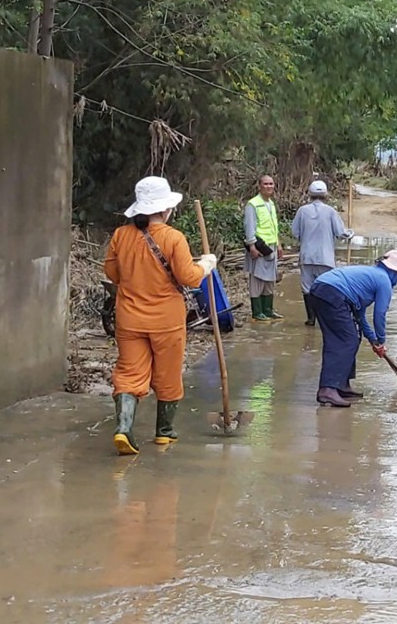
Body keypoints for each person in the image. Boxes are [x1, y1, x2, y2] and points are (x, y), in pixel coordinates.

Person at [104, 176, 217, 455]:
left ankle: (123, 428)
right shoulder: (173, 238)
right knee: (167, 373)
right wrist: (206, 265)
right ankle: (164, 433)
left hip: (129, 318)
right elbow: (188, 278)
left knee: (129, 373)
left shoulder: (121, 235)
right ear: (166, 209)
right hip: (166, 321)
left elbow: (111, 273)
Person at [307, 250, 397, 407]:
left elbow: (360, 317)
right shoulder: (384, 281)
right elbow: (380, 315)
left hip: (320, 291)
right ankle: (328, 389)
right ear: (394, 272)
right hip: (331, 294)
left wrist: (374, 340)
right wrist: (382, 341)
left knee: (351, 337)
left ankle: (341, 384)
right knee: (346, 341)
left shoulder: (370, 276)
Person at [291, 179, 354, 327]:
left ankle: (311, 318)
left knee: (307, 288)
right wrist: (350, 233)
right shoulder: (331, 211)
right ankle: (325, 318)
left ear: (310, 194)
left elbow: (295, 232)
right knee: (327, 287)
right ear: (325, 195)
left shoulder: (302, 211)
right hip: (325, 258)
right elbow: (340, 233)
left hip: (306, 256)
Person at [244, 175, 284, 322]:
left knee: (270, 279)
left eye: (271, 184)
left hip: (271, 246)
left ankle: (268, 310)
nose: (269, 186)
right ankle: (257, 311)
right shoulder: (253, 204)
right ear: (259, 186)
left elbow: (275, 226)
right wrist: (252, 246)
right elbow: (249, 226)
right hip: (259, 247)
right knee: (257, 278)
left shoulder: (271, 204)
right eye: (265, 184)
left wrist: (278, 244)